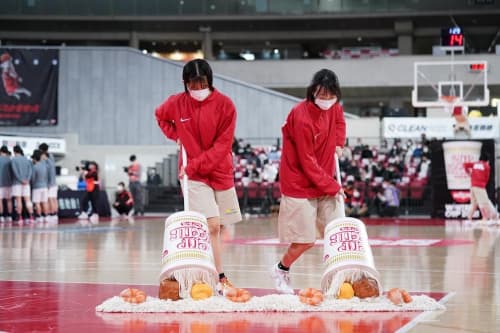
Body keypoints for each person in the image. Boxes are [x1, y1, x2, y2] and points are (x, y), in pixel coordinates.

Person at [155, 58, 242, 291]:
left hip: (221, 171)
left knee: (221, 226)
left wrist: (195, 164)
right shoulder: (176, 103)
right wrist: (176, 135)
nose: (197, 89)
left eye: (201, 83)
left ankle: (208, 273)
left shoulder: (226, 105)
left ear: (209, 81)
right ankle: (219, 277)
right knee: (210, 225)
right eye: (192, 84)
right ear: (185, 84)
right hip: (193, 175)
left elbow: (223, 146)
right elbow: (160, 116)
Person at [271, 68, 346, 294]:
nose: (326, 101)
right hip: (299, 183)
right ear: (313, 92)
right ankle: (281, 268)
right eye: (322, 96)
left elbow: (340, 123)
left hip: (324, 177)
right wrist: (333, 186)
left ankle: (339, 279)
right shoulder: (301, 116)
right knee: (305, 240)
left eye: (330, 96)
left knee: (336, 232)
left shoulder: (335, 108)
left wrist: (339, 144)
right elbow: (306, 160)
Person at [463, 151, 498, 223]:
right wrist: (483, 184)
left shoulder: (475, 164)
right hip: (480, 186)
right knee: (484, 202)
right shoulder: (486, 166)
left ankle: (469, 218)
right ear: (487, 160)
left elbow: (465, 164)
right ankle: (487, 218)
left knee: (474, 204)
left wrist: (469, 173)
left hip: (472, 186)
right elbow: (487, 177)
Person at [11, 145, 34, 224]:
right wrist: (27, 179)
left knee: (18, 200)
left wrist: (21, 180)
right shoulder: (27, 160)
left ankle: (20, 217)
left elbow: (15, 171)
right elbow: (30, 171)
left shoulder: (13, 160)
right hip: (27, 183)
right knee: (28, 200)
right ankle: (31, 216)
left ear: (14, 152)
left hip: (17, 183)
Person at [39, 143, 58, 223]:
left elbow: (50, 172)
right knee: (53, 199)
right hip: (54, 182)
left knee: (50, 199)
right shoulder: (51, 157)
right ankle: (55, 214)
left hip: (50, 183)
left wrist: (49, 183)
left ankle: (52, 214)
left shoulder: (47, 159)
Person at [30, 149, 49, 223]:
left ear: (35, 158)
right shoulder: (44, 166)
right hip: (44, 186)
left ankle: (39, 217)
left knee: (37, 203)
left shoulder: (35, 167)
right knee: (44, 202)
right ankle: (46, 217)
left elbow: (33, 178)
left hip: (37, 187)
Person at [0, 146, 13, 223]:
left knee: (0, 200)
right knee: (9, 200)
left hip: (0, 183)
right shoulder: (10, 160)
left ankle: (1, 216)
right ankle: (9, 216)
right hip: (9, 183)